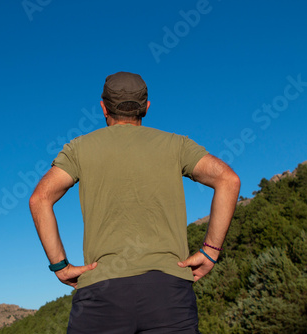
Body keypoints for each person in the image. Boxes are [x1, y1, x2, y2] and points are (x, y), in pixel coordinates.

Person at [29, 71, 241, 333]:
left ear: (103, 107)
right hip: (169, 292)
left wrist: (60, 266)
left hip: (101, 292)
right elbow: (228, 180)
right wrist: (210, 250)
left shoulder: (78, 148)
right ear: (146, 108)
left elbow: (40, 198)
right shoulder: (177, 145)